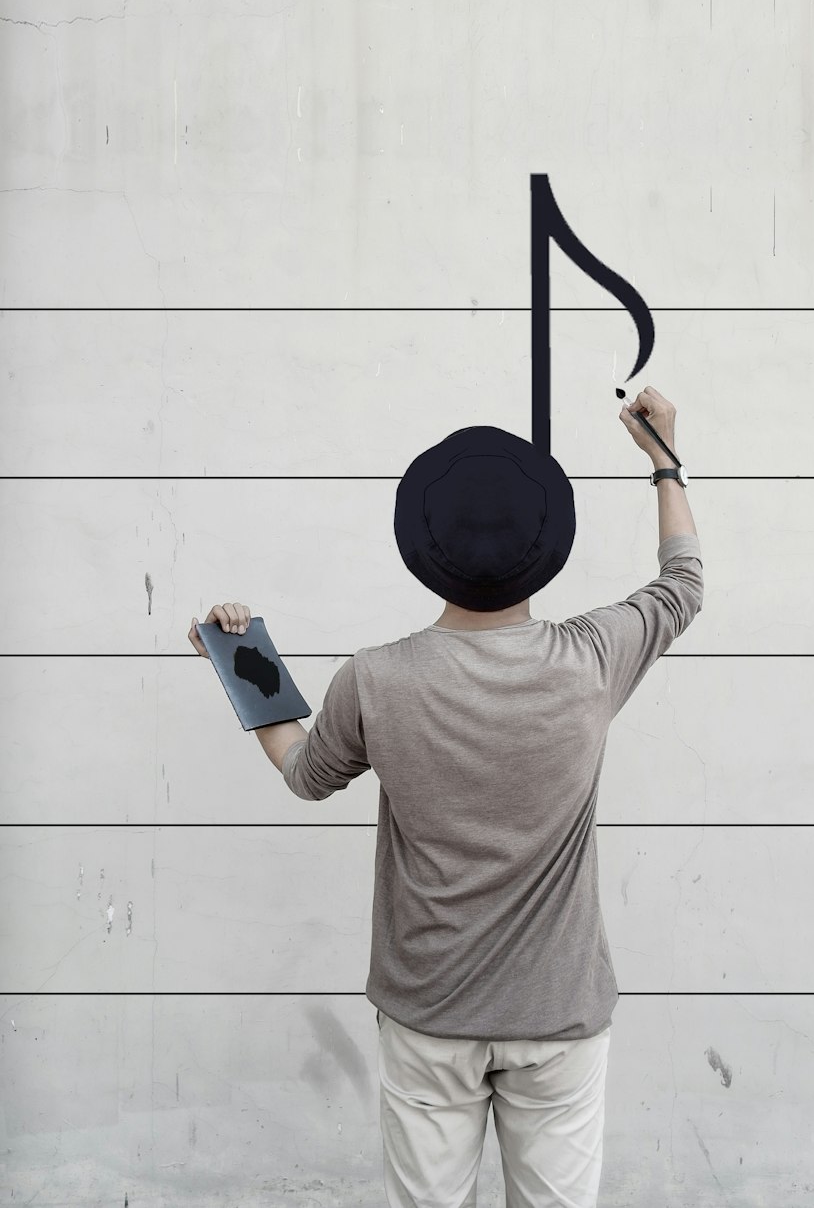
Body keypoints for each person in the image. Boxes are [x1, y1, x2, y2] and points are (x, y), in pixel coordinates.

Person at [188, 386, 703, 1207]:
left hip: (428, 1013)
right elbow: (682, 586)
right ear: (548, 548)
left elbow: (303, 775)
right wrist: (664, 460)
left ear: (422, 546)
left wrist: (239, 660)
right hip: (559, 1014)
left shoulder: (376, 679)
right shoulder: (592, 660)